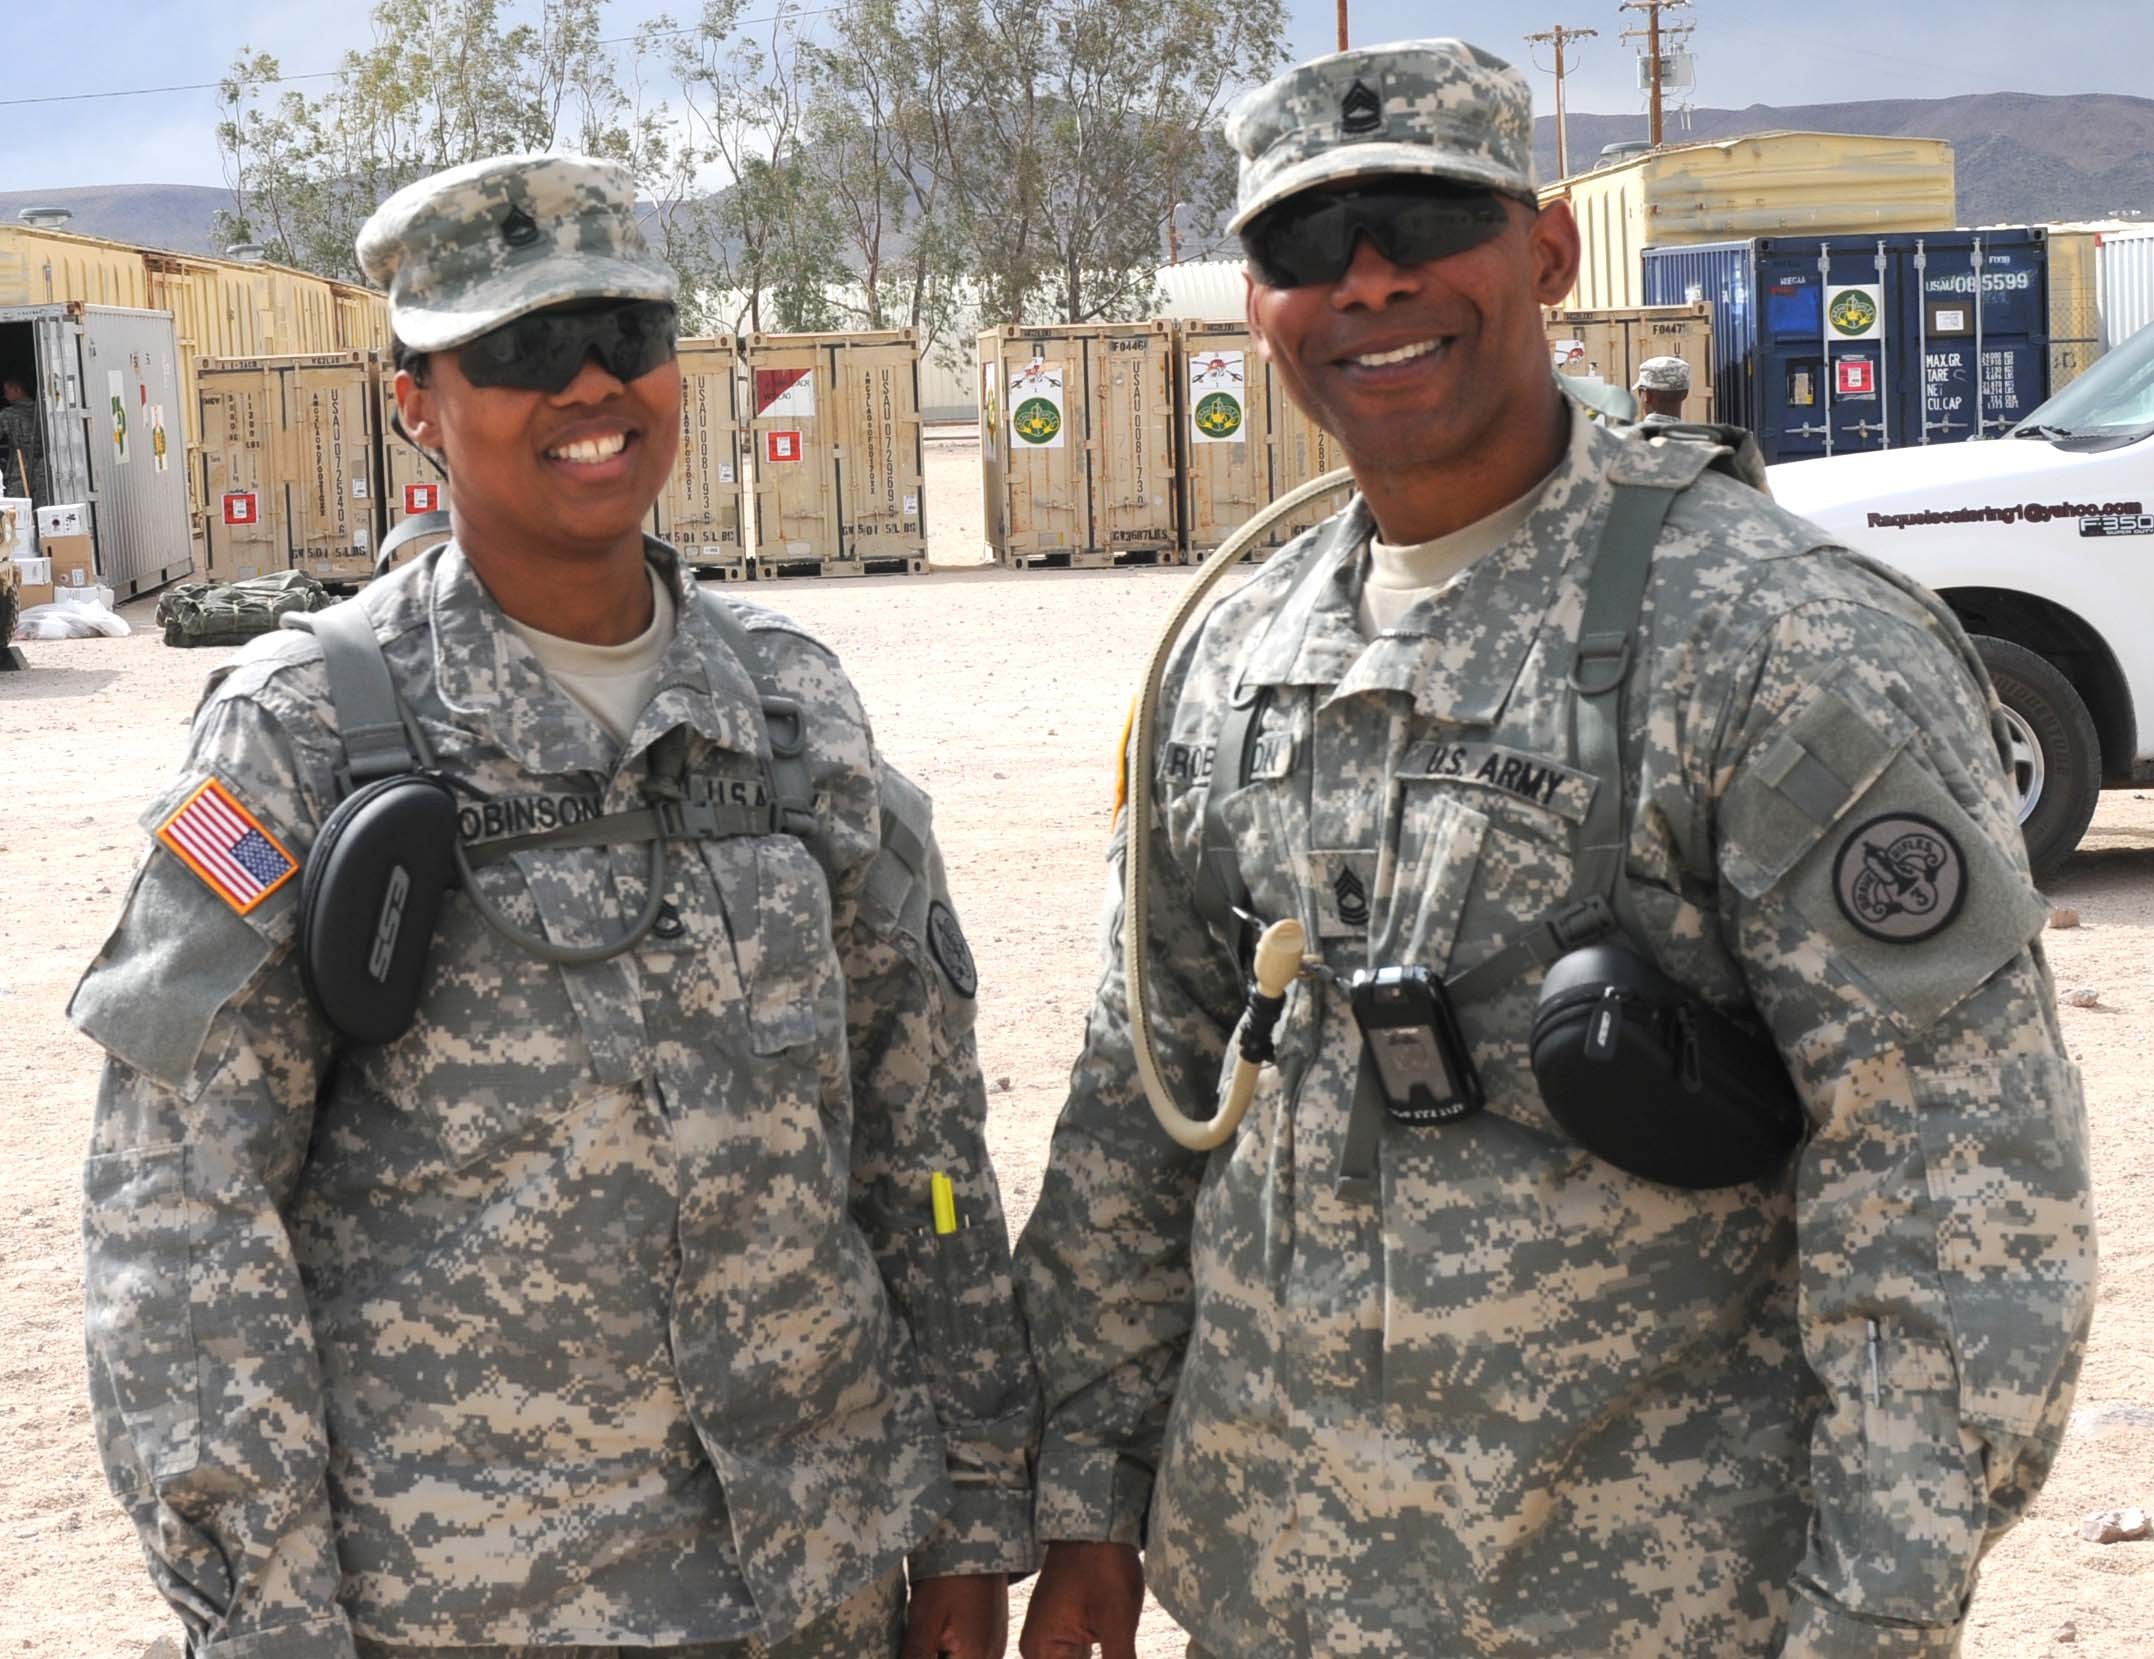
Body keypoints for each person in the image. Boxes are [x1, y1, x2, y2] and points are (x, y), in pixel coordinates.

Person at [1014, 39, 2094, 1659]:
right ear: (1256, 306)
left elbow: (1951, 1181)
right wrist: (1086, 1498)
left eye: (1418, 220)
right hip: (1265, 1590)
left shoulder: (1767, 637)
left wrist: (1871, 1612)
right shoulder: (1229, 654)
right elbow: (1139, 1093)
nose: (1367, 281)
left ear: (1541, 252)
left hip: (1629, 1607)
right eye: (1308, 246)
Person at [73, 153, 1035, 1659]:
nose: (589, 386)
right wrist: (263, 1619)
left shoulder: (787, 706)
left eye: (625, 338)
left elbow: (921, 1140)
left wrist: (970, 1517)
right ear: (416, 404)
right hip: (474, 1603)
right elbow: (181, 1216)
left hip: (820, 1587)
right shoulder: (305, 731)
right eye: (519, 350)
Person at [0, 374, 42, 506]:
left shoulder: (8, 414)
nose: (5, 396)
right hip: (43, 470)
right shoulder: (41, 410)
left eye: (7, 392)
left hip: (19, 471)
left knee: (17, 512)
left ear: (17, 390)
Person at [1634, 353, 1692, 420]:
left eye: (1640, 392)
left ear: (1647, 395)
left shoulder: (1628, 430)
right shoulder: (1699, 430)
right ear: (1685, 394)